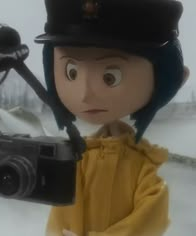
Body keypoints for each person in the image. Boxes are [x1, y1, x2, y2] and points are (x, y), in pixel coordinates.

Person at [33, 0, 190, 235]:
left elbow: (150, 219)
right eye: (71, 72)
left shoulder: (142, 167)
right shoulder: (78, 159)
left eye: (110, 76)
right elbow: (60, 211)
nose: (85, 94)